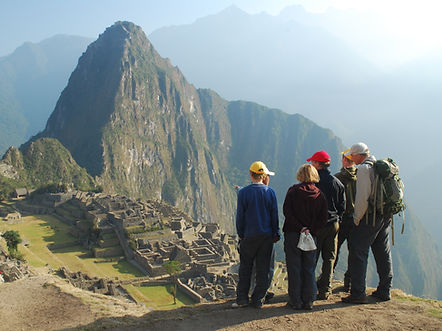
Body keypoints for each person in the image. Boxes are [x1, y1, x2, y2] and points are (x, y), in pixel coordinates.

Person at [342, 142, 393, 304]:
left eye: (353, 156)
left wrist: (357, 219)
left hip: (369, 217)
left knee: (358, 251)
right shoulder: (378, 166)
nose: (352, 159)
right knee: (382, 251)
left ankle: (358, 293)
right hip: (384, 215)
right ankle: (385, 290)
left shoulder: (364, 169)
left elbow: (362, 197)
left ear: (359, 155)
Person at [233, 161, 280, 308]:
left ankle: (242, 299)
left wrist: (241, 234)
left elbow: (240, 216)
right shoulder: (270, 192)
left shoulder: (243, 193)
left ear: (250, 174)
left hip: (249, 236)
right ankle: (258, 298)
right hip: (266, 237)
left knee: (245, 268)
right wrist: (276, 232)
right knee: (264, 268)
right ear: (263, 175)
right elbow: (274, 215)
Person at [283, 164, 328, 310]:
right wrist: (310, 229)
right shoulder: (320, 195)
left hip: (293, 234)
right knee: (309, 267)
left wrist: (299, 228)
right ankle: (309, 300)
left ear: (300, 175)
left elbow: (287, 212)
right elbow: (323, 218)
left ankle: (295, 300)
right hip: (311, 236)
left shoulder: (293, 191)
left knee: (294, 267)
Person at [307, 150, 346, 300]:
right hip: (333, 225)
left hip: (317, 226)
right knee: (329, 258)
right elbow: (342, 206)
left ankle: (309, 290)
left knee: (312, 257)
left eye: (313, 162)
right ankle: (325, 290)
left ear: (318, 164)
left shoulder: (313, 183)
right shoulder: (337, 183)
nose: (311, 164)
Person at [333, 149, 357, 292]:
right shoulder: (361, 177)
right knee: (354, 252)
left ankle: (327, 280)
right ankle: (349, 283)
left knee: (334, 251)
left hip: (341, 220)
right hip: (356, 220)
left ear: (344, 160)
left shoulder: (337, 178)